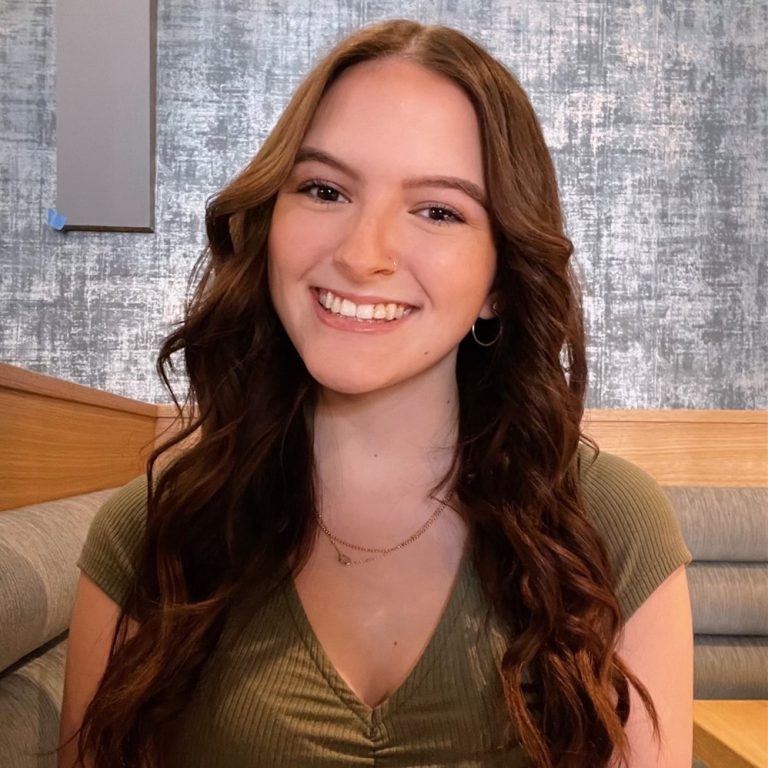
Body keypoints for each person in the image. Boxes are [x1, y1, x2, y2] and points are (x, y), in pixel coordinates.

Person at [58, 18, 693, 768]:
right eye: (325, 190)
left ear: (498, 283)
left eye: (438, 211)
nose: (363, 256)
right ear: (270, 223)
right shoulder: (150, 532)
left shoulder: (610, 526)